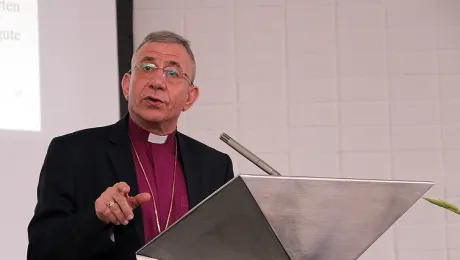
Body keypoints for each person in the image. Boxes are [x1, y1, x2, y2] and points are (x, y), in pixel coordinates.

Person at [27, 30, 234, 260]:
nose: (157, 82)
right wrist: (97, 218)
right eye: (147, 68)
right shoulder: (72, 152)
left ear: (190, 97)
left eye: (172, 72)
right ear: (127, 85)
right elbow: (40, 251)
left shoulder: (215, 166)